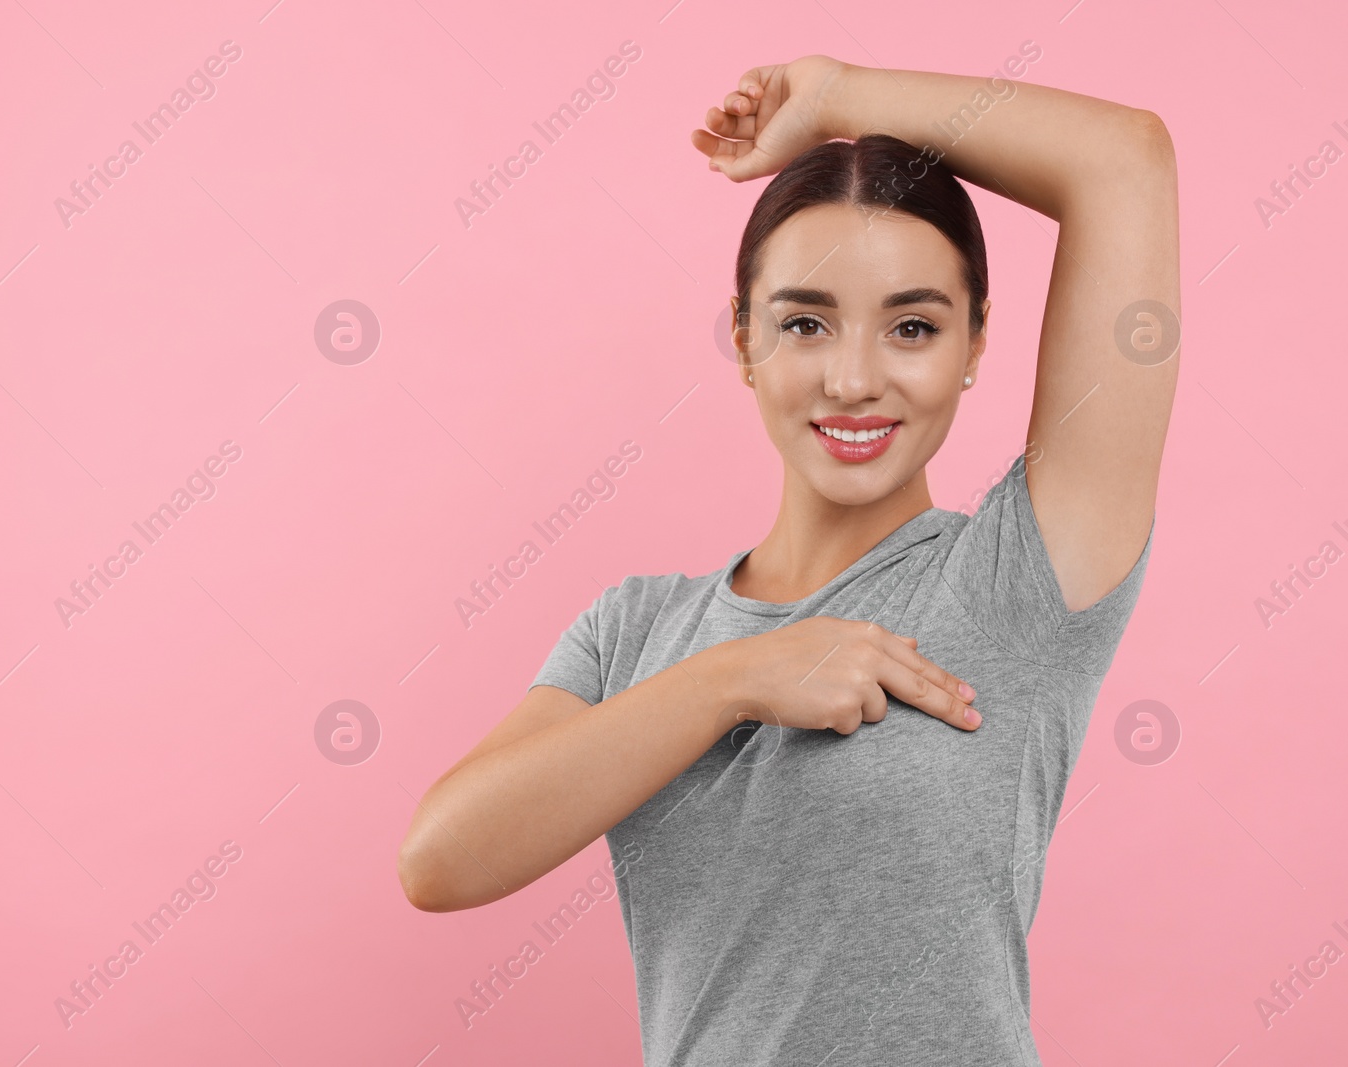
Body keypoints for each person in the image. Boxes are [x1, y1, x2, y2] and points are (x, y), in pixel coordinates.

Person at [398, 53, 1178, 1065]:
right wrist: (736, 677)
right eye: (804, 322)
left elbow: (1125, 161)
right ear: (742, 337)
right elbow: (439, 857)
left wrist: (837, 99)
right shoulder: (635, 630)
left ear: (976, 343)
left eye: (912, 326)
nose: (853, 377)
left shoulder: (1017, 582)